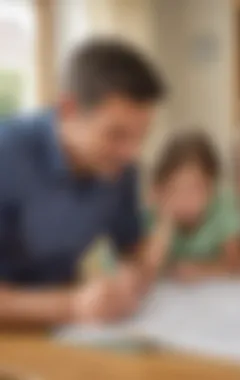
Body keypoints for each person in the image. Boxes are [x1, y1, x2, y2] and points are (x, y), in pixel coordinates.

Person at [0, 38, 165, 326]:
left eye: (142, 136)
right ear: (68, 109)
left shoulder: (121, 166)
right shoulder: (8, 155)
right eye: (116, 134)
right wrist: (71, 305)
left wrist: (131, 273)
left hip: (77, 328)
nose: (132, 153)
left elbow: (130, 248)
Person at [140, 131, 240, 284]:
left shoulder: (223, 209)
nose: (185, 200)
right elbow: (146, 268)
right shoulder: (152, 215)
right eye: (173, 189)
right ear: (160, 188)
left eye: (195, 189)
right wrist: (165, 222)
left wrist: (203, 270)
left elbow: (235, 263)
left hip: (214, 291)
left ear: (212, 188)